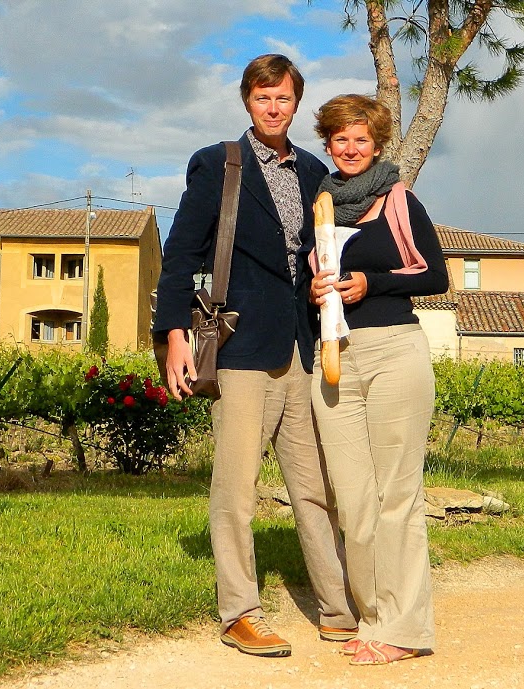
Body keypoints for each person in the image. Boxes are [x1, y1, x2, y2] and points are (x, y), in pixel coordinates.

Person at [152, 54, 357, 658]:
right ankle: (240, 613)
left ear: (297, 104)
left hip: (303, 348)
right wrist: (172, 333)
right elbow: (180, 255)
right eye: (263, 97)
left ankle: (338, 607)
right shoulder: (218, 164)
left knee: (314, 488)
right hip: (239, 347)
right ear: (247, 100)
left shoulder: (314, 170)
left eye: (284, 98)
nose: (273, 108)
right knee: (236, 490)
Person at [307, 93, 448, 666]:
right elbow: (312, 282)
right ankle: (373, 617)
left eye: (360, 138)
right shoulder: (320, 206)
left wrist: (372, 281)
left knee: (398, 496)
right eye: (340, 138)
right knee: (355, 500)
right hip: (334, 356)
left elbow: (435, 276)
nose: (350, 148)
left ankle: (404, 628)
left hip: (394, 351)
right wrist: (314, 290)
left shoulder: (398, 200)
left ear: (377, 143)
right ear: (328, 143)